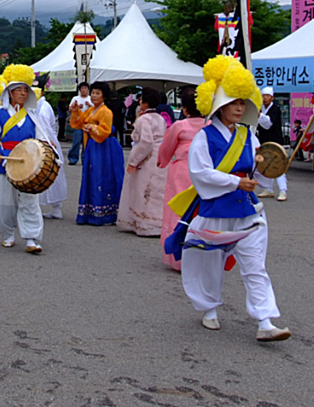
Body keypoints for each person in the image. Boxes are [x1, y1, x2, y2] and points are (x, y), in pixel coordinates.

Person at [173, 55, 290, 342]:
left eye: (243, 103)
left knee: (255, 268)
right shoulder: (204, 137)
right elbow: (201, 174)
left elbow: (259, 175)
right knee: (209, 266)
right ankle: (209, 309)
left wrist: (269, 169)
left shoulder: (248, 135)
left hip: (249, 213)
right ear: (219, 105)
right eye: (235, 103)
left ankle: (265, 321)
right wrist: (236, 181)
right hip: (214, 211)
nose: (240, 108)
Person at [0, 64, 62, 253]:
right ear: (9, 93)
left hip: (29, 166)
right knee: (5, 203)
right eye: (19, 90)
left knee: (30, 202)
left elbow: (41, 138)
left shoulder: (32, 116)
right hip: (4, 164)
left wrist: (49, 147)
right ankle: (8, 235)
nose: (23, 93)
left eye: (25, 90)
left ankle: (31, 238)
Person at [157, 86, 205, 270]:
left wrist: (162, 161)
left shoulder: (179, 126)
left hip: (181, 170)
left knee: (177, 210)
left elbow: (166, 149)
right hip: (202, 171)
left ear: (184, 109)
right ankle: (199, 255)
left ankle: (177, 256)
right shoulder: (209, 127)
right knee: (198, 212)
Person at [70, 81, 125, 226]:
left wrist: (92, 127)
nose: (94, 95)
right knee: (92, 176)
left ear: (104, 96)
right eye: (93, 92)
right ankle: (91, 210)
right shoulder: (91, 110)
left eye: (97, 93)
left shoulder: (105, 111)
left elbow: (105, 131)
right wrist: (75, 111)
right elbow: (78, 123)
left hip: (104, 147)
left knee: (102, 177)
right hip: (93, 145)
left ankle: (105, 212)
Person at [117, 87, 166, 236]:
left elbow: (146, 141)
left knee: (140, 188)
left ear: (145, 102)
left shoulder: (145, 119)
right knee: (155, 190)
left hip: (147, 156)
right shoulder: (160, 118)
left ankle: (141, 221)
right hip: (159, 155)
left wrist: (134, 161)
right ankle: (157, 222)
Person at [35, 85, 68, 220]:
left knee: (46, 175)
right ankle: (56, 208)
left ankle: (54, 207)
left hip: (46, 143)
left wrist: (45, 144)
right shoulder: (39, 105)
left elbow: (44, 130)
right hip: (46, 142)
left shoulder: (42, 108)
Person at [255, 86, 288, 202]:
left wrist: (259, 115)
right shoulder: (260, 109)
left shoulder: (276, 109)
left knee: (278, 165)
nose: (265, 98)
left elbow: (268, 124)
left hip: (275, 141)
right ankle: (268, 188)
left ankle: (283, 190)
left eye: (268, 96)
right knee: (265, 165)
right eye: (263, 96)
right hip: (264, 140)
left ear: (272, 98)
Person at [66, 82, 91, 165]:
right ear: (80, 90)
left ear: (88, 90)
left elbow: (95, 109)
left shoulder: (90, 99)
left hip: (87, 123)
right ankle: (73, 158)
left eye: (85, 88)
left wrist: (90, 105)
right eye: (82, 88)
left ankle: (85, 159)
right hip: (77, 124)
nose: (84, 90)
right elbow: (70, 109)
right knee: (76, 142)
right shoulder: (75, 98)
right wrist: (76, 107)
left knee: (86, 143)